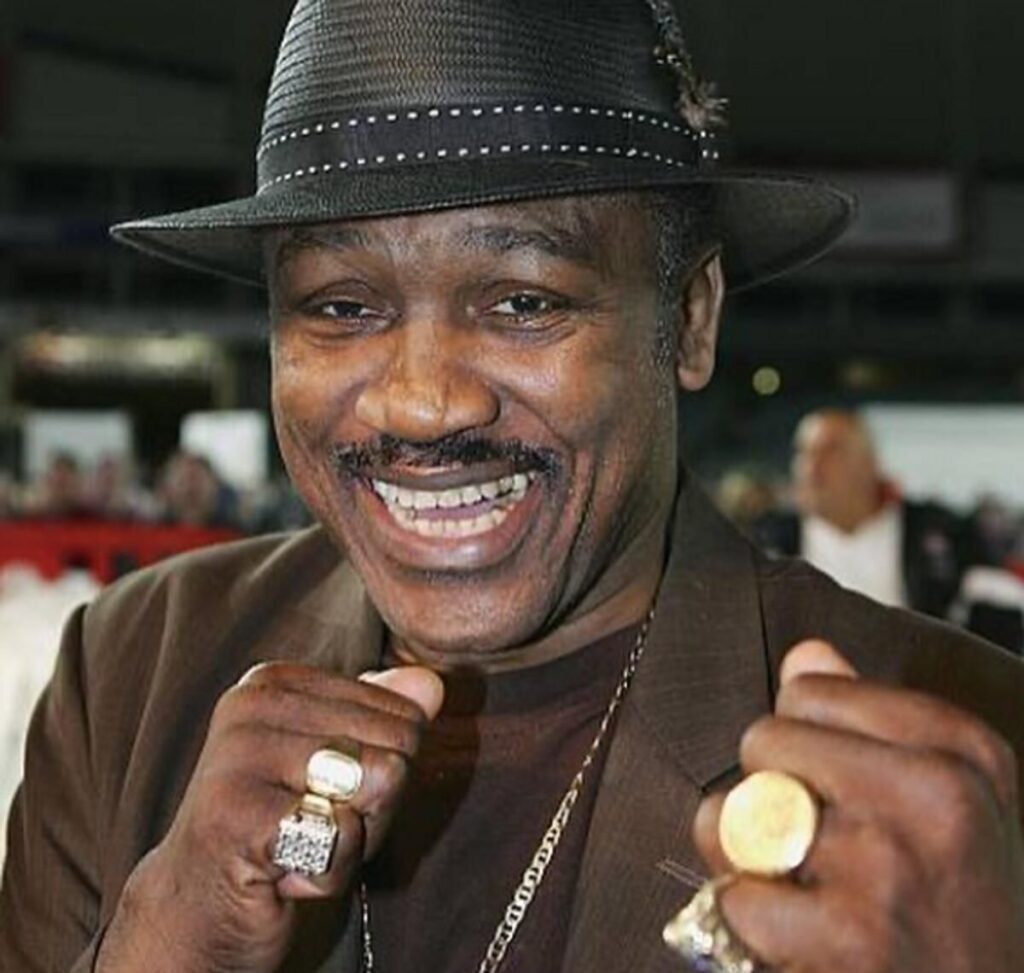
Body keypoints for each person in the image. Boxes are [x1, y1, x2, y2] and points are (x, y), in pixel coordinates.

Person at [2, 3, 1023, 973]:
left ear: (689, 319)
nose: (420, 404)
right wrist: (164, 940)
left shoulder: (965, 747)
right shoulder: (134, 673)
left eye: (524, 302)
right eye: (341, 306)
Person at [755, 409, 971, 618]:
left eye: (830, 451)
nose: (811, 467)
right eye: (803, 452)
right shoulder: (767, 543)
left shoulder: (939, 535)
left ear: (870, 463)